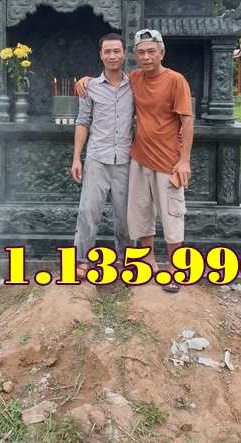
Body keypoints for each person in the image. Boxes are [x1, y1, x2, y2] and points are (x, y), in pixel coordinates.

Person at [76, 28, 194, 293]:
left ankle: (174, 268)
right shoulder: (132, 80)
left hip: (165, 161)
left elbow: (187, 121)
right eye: (142, 52)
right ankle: (146, 261)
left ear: (162, 52)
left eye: (151, 51)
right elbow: (88, 113)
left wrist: (184, 160)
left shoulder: (173, 80)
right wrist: (86, 80)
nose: (147, 56)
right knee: (139, 214)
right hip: (137, 158)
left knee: (170, 215)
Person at [71, 33, 135, 281]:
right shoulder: (90, 87)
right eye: (107, 51)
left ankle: (126, 258)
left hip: (126, 159)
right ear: (100, 55)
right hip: (97, 157)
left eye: (117, 51)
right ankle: (81, 258)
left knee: (125, 215)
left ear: (124, 54)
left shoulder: (135, 85)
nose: (112, 56)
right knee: (88, 211)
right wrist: (77, 158)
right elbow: (82, 122)